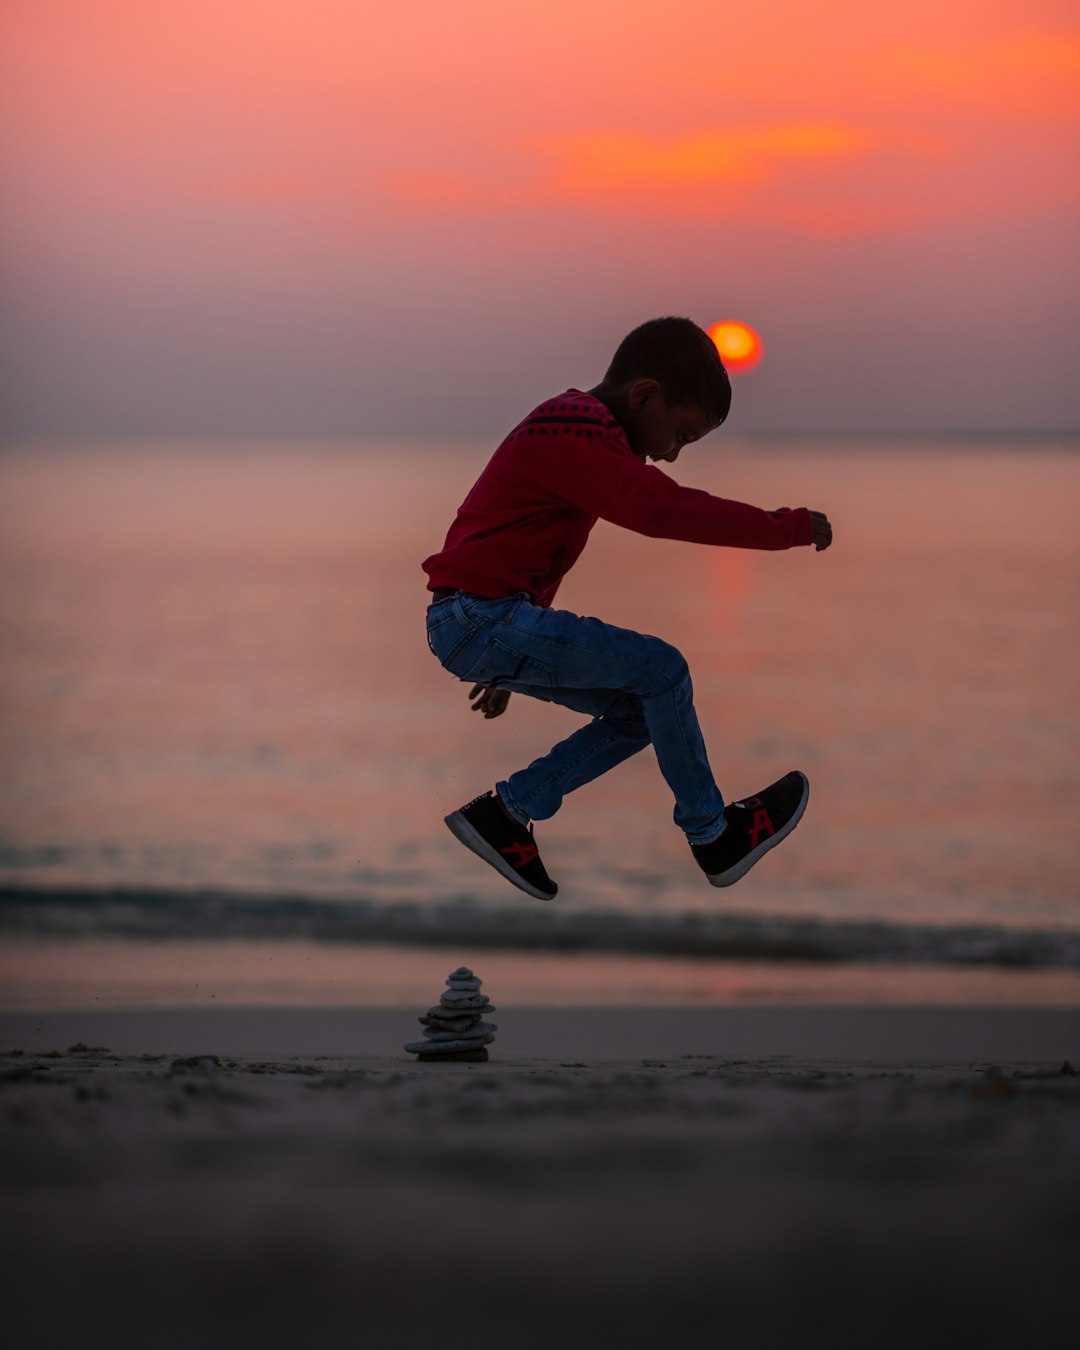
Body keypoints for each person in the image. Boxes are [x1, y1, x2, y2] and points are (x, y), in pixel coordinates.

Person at [422, 316, 832, 901]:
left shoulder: (581, 434)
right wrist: (782, 528)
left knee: (644, 707)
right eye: (680, 437)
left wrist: (505, 662)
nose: (671, 456)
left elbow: (531, 550)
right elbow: (660, 512)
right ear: (644, 396)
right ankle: (713, 835)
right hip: (479, 616)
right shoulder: (576, 430)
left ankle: (508, 813)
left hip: (483, 619)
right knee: (663, 670)